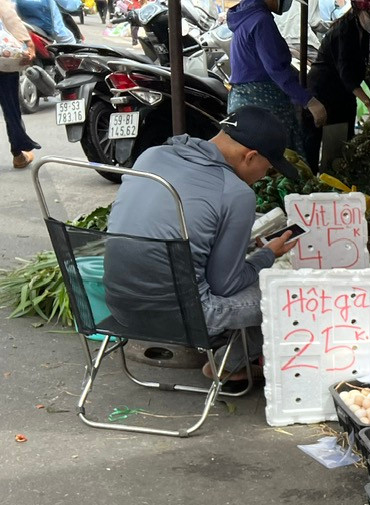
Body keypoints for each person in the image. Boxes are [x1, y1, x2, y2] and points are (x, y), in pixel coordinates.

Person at [104, 106, 300, 380]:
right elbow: (225, 285)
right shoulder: (236, 193)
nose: (265, 176)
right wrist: (267, 254)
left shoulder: (151, 156)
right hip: (186, 317)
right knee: (292, 297)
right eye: (267, 168)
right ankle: (227, 365)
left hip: (118, 304)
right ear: (250, 156)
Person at [227, 0, 326, 154]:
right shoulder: (261, 20)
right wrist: (309, 101)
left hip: (242, 101)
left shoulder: (246, 15)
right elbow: (277, 68)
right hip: (261, 101)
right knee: (279, 160)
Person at [300, 0, 370, 169]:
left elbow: (359, 69)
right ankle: (309, 188)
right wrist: (368, 103)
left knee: (340, 151)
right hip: (322, 92)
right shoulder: (344, 31)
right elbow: (346, 73)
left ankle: (336, 183)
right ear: (359, 10)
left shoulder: (363, 31)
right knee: (311, 151)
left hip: (343, 96)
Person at [0, 0, 39, 168]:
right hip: (2, 61)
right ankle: (18, 154)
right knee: (10, 107)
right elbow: (7, 14)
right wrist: (28, 43)